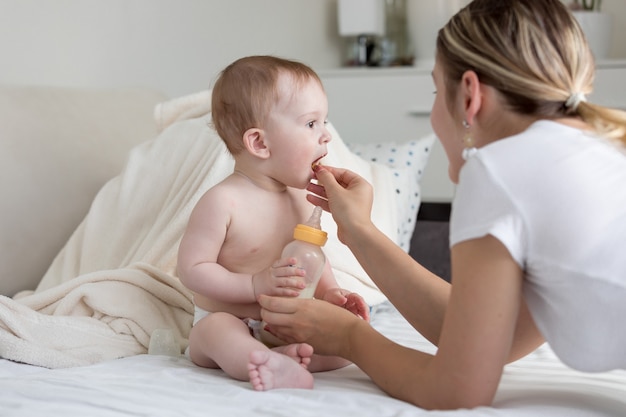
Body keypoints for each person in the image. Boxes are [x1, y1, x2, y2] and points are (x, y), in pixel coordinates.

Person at [257, 0, 626, 410]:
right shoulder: (595, 151)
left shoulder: (498, 169)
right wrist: (358, 230)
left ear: (469, 94)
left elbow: (455, 390)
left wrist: (348, 337)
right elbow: (494, 336)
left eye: (436, 91)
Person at [177, 55, 370, 392]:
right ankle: (259, 358)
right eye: (312, 124)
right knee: (211, 335)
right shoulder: (223, 201)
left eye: (325, 122)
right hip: (232, 320)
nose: (326, 136)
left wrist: (332, 294)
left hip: (288, 323)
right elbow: (192, 269)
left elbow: (313, 261)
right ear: (260, 143)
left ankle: (282, 357)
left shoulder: (302, 198)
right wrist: (253, 285)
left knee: (349, 345)